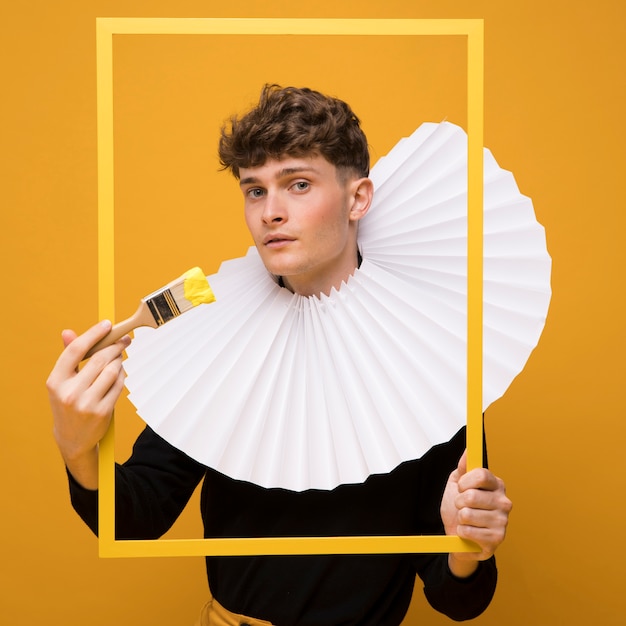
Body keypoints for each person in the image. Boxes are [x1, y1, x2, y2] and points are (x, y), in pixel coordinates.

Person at [47, 84, 512, 625]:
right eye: (254, 191)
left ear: (358, 198)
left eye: (298, 184)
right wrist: (79, 450)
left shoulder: (431, 357)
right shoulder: (217, 336)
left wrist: (464, 548)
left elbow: (457, 599)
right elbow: (136, 517)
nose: (271, 212)